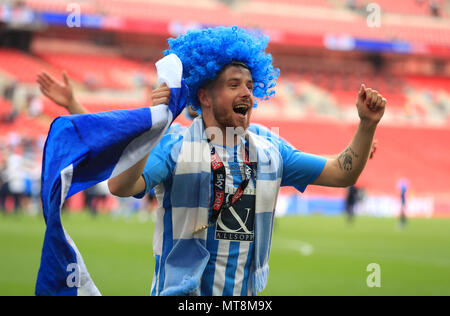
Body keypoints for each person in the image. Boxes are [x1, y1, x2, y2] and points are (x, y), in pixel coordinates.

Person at [38, 26, 386, 296]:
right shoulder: (175, 146)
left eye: (250, 85)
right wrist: (155, 125)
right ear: (203, 95)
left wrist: (367, 124)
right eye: (234, 84)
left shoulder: (269, 147)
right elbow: (121, 183)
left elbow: (342, 172)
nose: (246, 93)